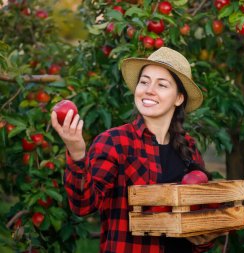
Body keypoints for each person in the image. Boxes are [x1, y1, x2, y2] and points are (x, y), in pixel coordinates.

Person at [51, 47, 225, 253]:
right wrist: (77, 153)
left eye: (162, 84)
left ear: (179, 98)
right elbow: (83, 205)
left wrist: (203, 239)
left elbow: (194, 224)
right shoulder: (114, 142)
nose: (149, 89)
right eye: (144, 81)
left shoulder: (189, 147)